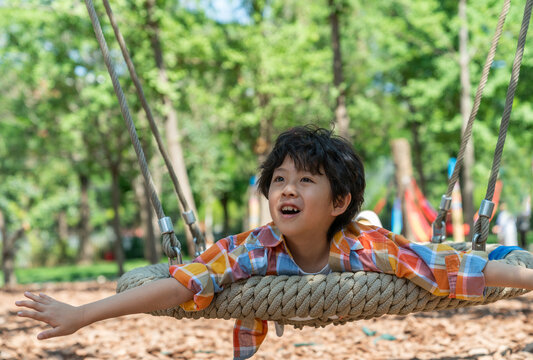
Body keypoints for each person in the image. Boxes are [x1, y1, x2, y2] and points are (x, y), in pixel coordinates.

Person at [15, 126, 533, 360]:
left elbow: (462, 271)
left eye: (306, 180)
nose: (287, 188)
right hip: (304, 257)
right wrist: (82, 314)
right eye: (279, 179)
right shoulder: (249, 249)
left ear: (337, 202)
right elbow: (179, 285)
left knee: (451, 253)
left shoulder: (371, 249)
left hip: (356, 243)